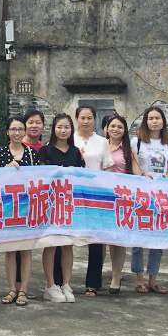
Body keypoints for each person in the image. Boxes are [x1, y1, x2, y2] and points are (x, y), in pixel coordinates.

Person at [0, 115, 40, 307]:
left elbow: (39, 179)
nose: (17, 133)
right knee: (11, 250)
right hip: (8, 207)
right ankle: (12, 288)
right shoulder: (2, 153)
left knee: (26, 250)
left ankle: (24, 290)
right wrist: (5, 169)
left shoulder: (32, 153)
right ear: (7, 132)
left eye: (20, 129)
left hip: (28, 206)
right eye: (13, 129)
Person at [129, 106, 168, 295]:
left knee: (158, 239)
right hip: (141, 194)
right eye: (151, 118)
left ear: (163, 121)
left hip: (161, 194)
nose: (154, 121)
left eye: (157, 118)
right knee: (138, 238)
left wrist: (166, 175)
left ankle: (153, 279)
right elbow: (134, 165)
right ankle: (139, 279)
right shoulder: (137, 141)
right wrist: (142, 175)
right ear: (145, 121)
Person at [39, 114, 81, 302]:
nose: (63, 130)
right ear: (54, 129)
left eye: (67, 127)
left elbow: (82, 175)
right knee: (51, 244)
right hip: (49, 204)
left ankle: (66, 283)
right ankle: (50, 285)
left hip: (69, 204)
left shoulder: (76, 151)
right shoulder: (45, 151)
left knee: (67, 244)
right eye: (59, 127)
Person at [72, 105, 111, 297]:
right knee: (65, 238)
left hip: (96, 196)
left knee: (96, 240)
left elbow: (108, 168)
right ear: (76, 119)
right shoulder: (69, 138)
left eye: (89, 118)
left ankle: (92, 283)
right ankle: (61, 281)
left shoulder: (103, 142)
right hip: (72, 195)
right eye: (82, 118)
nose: (85, 121)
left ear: (94, 119)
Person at [100, 114, 132, 294]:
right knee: (100, 239)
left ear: (124, 130)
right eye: (112, 126)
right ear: (106, 128)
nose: (115, 129)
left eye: (120, 127)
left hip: (121, 199)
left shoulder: (128, 150)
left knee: (117, 241)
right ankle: (97, 275)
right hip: (100, 198)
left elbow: (136, 173)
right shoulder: (98, 145)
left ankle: (115, 277)